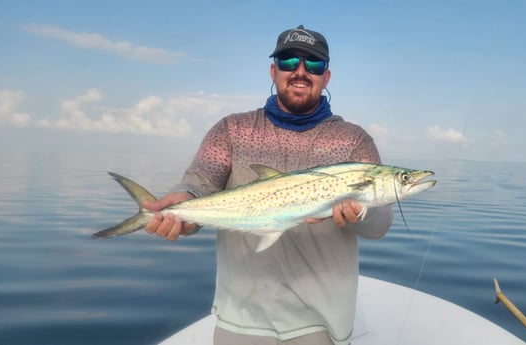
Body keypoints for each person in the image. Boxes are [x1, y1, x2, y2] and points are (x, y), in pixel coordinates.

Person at [142, 25, 393, 345]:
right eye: (289, 62)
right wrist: (182, 208)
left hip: (321, 318)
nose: (301, 72)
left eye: (313, 64)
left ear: (326, 77)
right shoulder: (232, 128)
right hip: (242, 315)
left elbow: (380, 225)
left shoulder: (354, 140)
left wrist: (361, 213)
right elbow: (200, 182)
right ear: (273, 70)